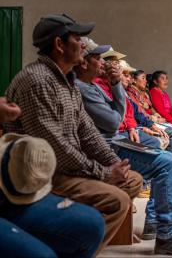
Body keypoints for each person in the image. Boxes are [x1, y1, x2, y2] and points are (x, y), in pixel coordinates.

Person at [4, 14, 143, 249]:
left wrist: (115, 164)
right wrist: (102, 173)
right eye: (78, 38)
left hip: (66, 166)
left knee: (132, 180)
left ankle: (80, 242)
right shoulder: (38, 81)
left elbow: (87, 132)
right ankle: (78, 246)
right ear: (59, 45)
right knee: (116, 199)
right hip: (42, 173)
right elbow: (53, 146)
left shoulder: (67, 81)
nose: (83, 45)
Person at [74, 40, 172, 255]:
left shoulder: (93, 86)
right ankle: (166, 233)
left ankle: (157, 224)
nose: (108, 66)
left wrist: (118, 90)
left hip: (114, 141)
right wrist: (117, 86)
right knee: (166, 162)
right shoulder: (86, 88)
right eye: (100, 60)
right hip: (108, 146)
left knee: (165, 154)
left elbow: (124, 114)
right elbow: (115, 121)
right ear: (85, 63)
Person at [0, 131, 105, 258]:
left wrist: (105, 170)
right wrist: (102, 172)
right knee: (43, 255)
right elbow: (62, 149)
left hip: (15, 185)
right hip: (12, 182)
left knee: (93, 223)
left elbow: (90, 133)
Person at [128, 70, 172, 175]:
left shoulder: (141, 93)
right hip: (142, 125)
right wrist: (155, 120)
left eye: (145, 78)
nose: (145, 81)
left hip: (150, 122)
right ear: (134, 80)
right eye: (142, 78)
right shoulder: (131, 93)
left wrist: (159, 117)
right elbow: (139, 114)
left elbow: (153, 110)